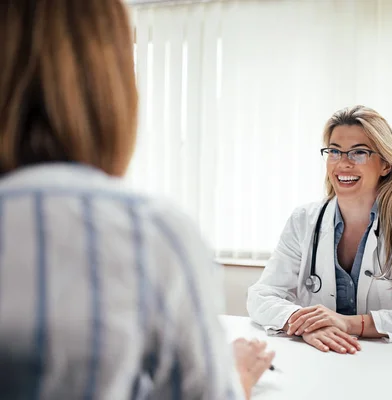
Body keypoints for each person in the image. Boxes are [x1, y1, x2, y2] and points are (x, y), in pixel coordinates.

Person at [0, 1, 273, 399]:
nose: (341, 163)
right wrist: (237, 379)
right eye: (334, 151)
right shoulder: (154, 233)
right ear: (111, 83)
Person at [247, 105, 392, 353]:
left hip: (391, 364)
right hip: (321, 360)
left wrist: (349, 324)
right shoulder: (304, 220)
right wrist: (309, 324)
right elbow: (260, 297)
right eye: (334, 151)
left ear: (385, 165)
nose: (343, 163)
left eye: (358, 152)